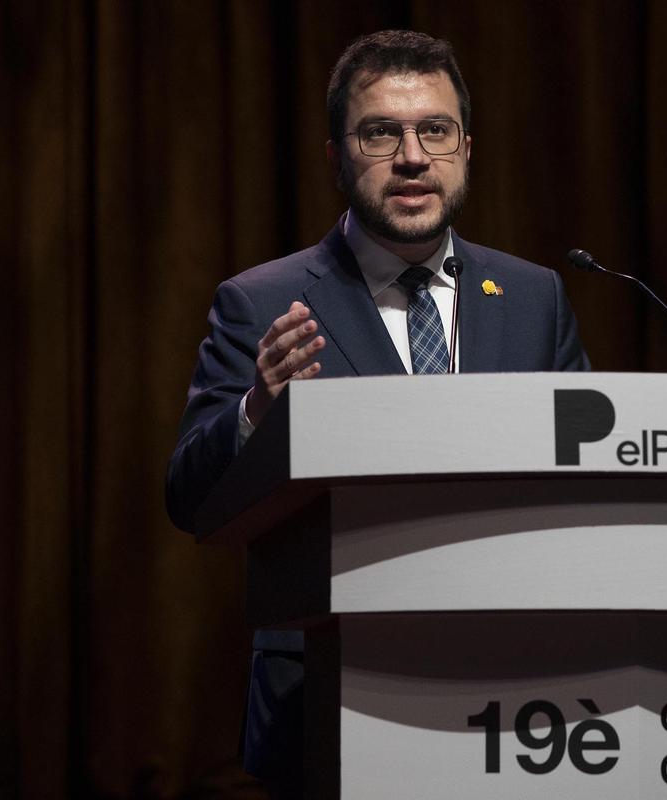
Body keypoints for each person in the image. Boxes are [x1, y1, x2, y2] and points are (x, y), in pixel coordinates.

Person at [165, 29, 589, 793]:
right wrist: (259, 410)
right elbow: (190, 498)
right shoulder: (261, 301)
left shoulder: (534, 297)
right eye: (380, 133)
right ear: (336, 155)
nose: (413, 157)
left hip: (516, 690)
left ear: (466, 146)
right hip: (328, 696)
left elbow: (583, 483)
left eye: (435, 129)